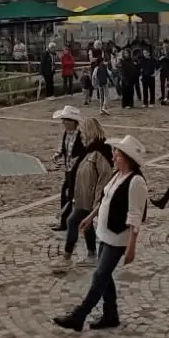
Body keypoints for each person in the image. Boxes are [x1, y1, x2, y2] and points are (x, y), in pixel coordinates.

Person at [52, 135, 148, 332]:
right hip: (104, 232)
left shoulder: (136, 182)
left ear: (127, 158)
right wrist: (90, 217)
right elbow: (105, 199)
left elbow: (135, 216)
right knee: (105, 275)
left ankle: (79, 316)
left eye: (117, 154)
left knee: (100, 275)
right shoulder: (117, 174)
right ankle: (110, 314)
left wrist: (131, 246)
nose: (113, 157)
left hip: (118, 237)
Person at [53, 117, 113, 273]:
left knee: (72, 221)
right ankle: (91, 254)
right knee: (85, 225)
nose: (82, 135)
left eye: (84, 131)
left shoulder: (100, 151)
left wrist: (98, 200)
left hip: (90, 198)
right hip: (83, 197)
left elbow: (104, 177)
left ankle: (67, 256)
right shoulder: (90, 150)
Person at [52, 105, 85, 231]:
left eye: (65, 120)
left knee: (72, 196)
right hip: (68, 170)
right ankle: (66, 222)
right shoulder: (66, 134)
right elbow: (63, 148)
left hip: (77, 172)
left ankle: (71, 222)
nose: (63, 122)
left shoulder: (81, 136)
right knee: (66, 195)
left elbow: (85, 152)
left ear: (73, 122)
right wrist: (58, 154)